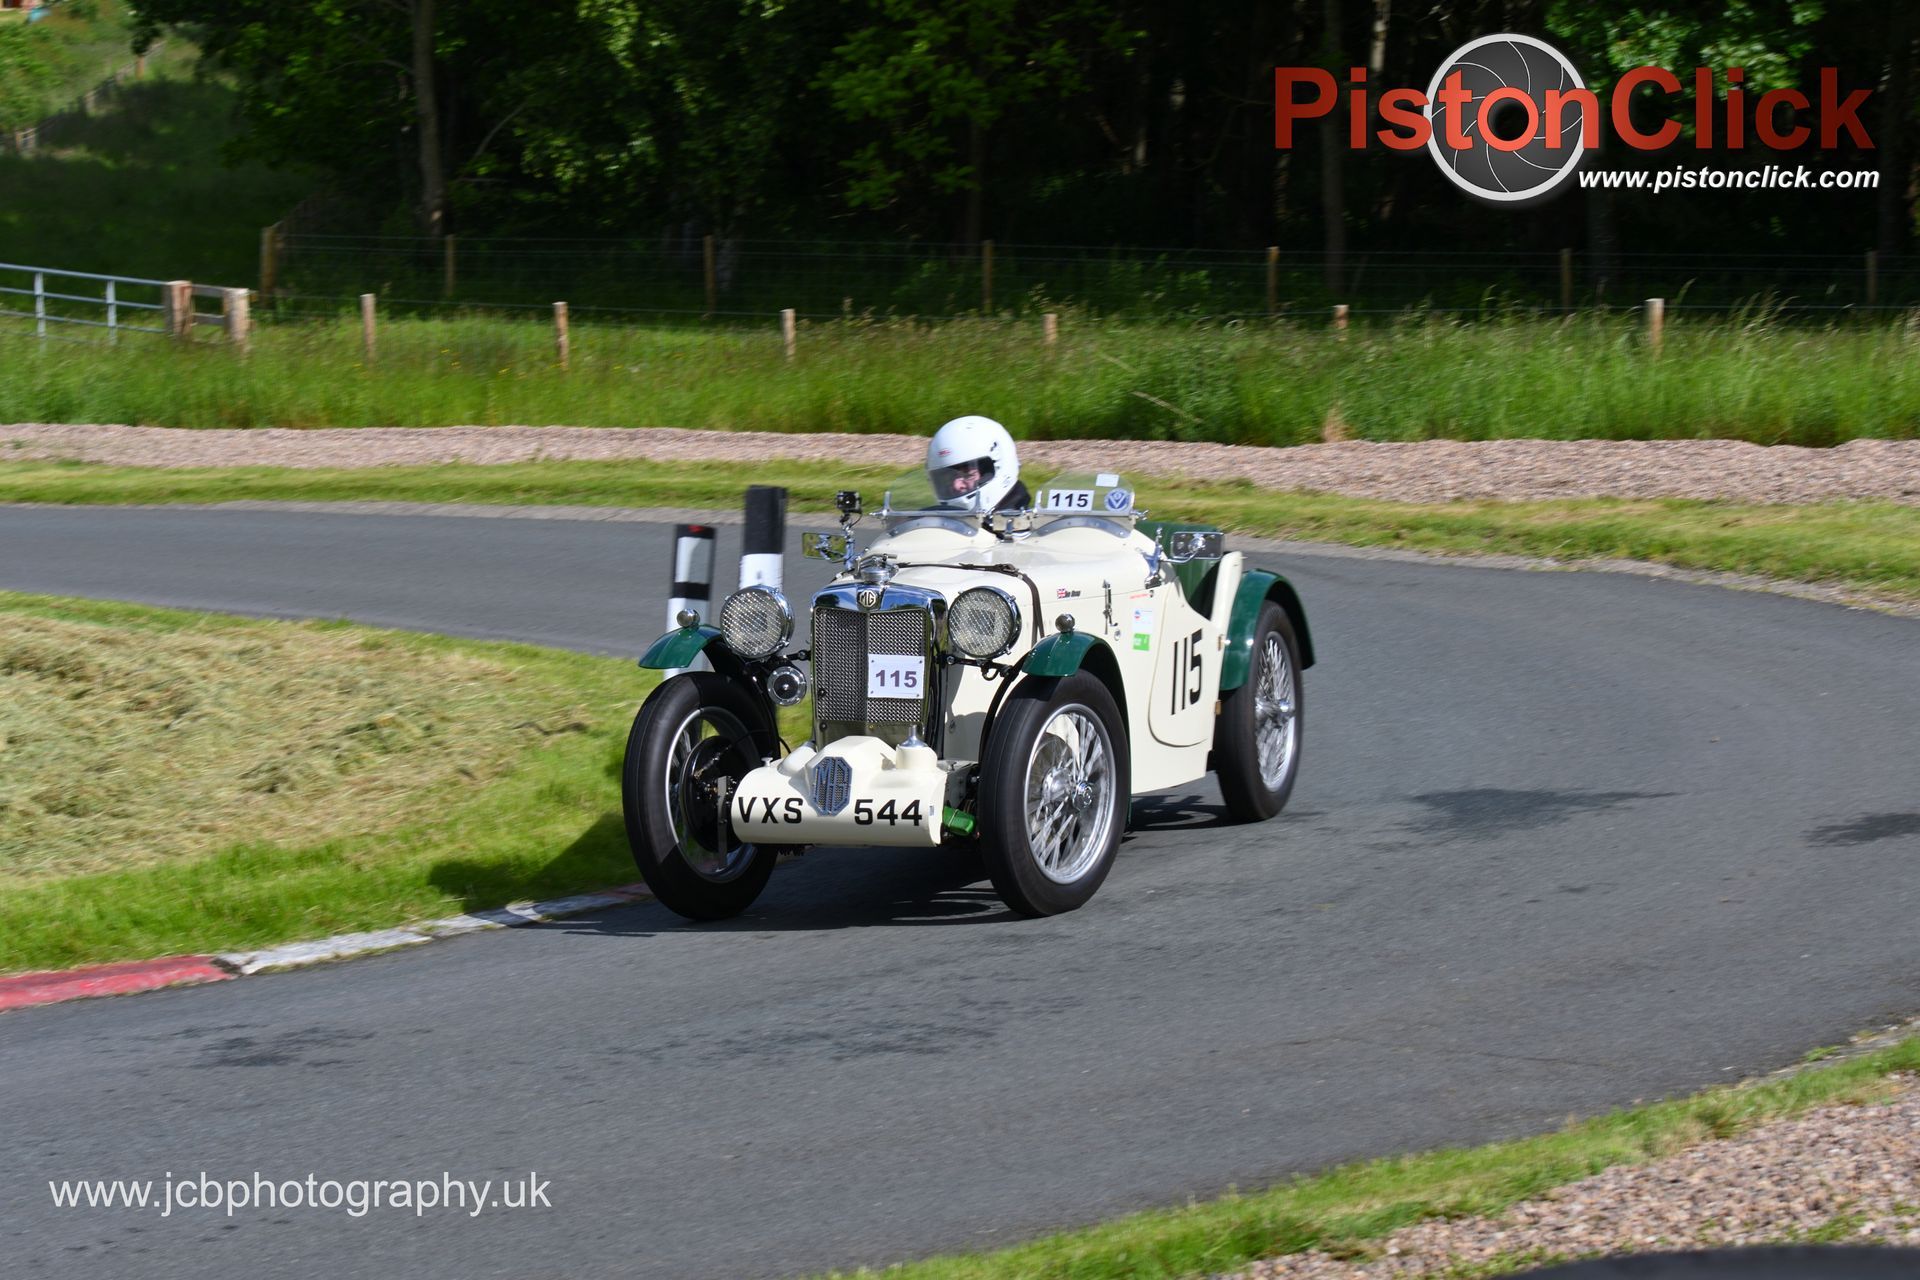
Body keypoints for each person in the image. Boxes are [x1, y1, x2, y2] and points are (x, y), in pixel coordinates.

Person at [926, 415, 1031, 513]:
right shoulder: (941, 526)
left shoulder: (1021, 530)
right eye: (948, 477)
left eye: (968, 475)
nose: (956, 485)